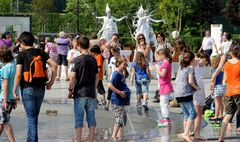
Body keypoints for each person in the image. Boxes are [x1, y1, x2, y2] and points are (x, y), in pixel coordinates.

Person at [13, 31, 57, 142]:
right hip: (41, 88)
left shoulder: (21, 55)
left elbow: (18, 75)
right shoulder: (41, 52)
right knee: (34, 117)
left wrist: (14, 91)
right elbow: (55, 65)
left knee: (31, 117)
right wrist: (51, 82)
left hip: (27, 88)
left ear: (22, 42)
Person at [68, 36, 99, 142]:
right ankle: (90, 139)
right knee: (91, 117)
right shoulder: (93, 60)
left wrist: (70, 89)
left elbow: (72, 77)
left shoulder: (78, 60)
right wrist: (93, 88)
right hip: (91, 92)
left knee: (79, 118)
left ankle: (78, 140)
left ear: (79, 46)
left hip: (80, 92)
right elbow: (97, 77)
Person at [175, 51, 199, 142]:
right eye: (194, 59)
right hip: (185, 93)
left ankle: (186, 132)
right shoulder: (190, 68)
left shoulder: (181, 68)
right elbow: (190, 82)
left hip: (178, 94)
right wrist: (197, 88)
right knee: (192, 113)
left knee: (186, 114)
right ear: (192, 60)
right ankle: (186, 134)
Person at [218, 45, 240, 141]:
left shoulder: (226, 64)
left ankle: (220, 138)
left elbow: (224, 80)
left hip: (229, 91)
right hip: (238, 90)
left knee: (228, 115)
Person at [108, 55, 130, 141]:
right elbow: (110, 85)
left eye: (126, 65)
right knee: (119, 119)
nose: (125, 66)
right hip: (117, 101)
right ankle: (114, 137)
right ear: (119, 64)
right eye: (124, 65)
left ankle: (120, 136)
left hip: (121, 101)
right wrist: (120, 93)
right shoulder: (116, 74)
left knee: (123, 119)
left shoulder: (121, 73)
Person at [150, 48, 173, 127]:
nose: (158, 56)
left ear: (164, 55)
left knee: (164, 104)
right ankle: (165, 118)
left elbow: (163, 74)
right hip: (164, 86)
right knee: (162, 103)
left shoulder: (165, 63)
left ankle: (166, 119)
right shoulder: (166, 63)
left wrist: (155, 69)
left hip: (165, 86)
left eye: (159, 54)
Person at [0, 47, 18, 142]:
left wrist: (5, 101)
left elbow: (5, 86)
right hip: (11, 98)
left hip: (5, 98)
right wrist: (14, 98)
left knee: (5, 122)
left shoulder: (6, 68)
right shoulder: (14, 67)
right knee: (2, 120)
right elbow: (16, 84)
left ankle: (12, 140)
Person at [192, 52, 210, 141]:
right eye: (206, 63)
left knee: (195, 113)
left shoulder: (194, 64)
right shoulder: (195, 63)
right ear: (204, 59)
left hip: (196, 91)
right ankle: (197, 134)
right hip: (197, 91)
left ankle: (194, 131)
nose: (204, 65)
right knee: (199, 114)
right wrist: (197, 88)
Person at [209, 55, 224, 125]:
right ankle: (221, 115)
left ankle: (216, 116)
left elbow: (213, 81)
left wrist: (212, 89)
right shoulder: (222, 70)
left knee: (217, 103)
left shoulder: (215, 70)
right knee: (222, 103)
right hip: (223, 87)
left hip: (217, 87)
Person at [105, 46, 120, 111]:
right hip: (112, 77)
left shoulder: (120, 58)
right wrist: (109, 76)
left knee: (117, 90)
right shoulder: (112, 59)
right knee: (110, 90)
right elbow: (110, 68)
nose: (112, 53)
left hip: (118, 77)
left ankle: (117, 104)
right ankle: (107, 104)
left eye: (112, 52)